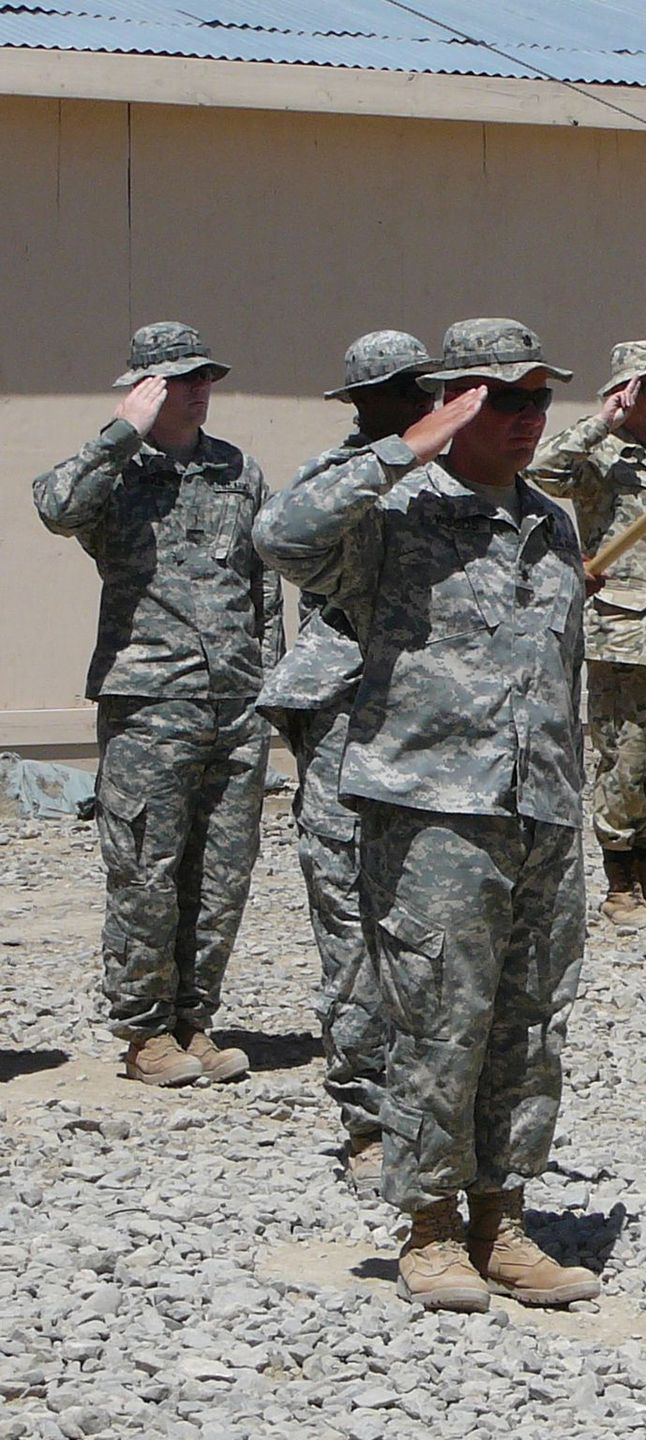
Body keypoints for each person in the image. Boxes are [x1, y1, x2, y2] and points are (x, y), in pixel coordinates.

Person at [254, 318, 600, 1310]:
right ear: (455, 402)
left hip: (540, 806)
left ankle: (504, 1221)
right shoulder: (396, 514)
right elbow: (282, 535)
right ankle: (430, 1229)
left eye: (540, 399)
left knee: (529, 1025)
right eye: (505, 399)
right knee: (442, 1023)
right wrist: (403, 445)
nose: (529, 418)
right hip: (431, 808)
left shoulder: (552, 523)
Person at [33, 322, 281, 1087]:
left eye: (205, 376)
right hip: (149, 698)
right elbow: (56, 506)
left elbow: (262, 582)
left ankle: (194, 1018)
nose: (199, 389)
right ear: (145, 388)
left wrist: (269, 681)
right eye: (180, 380)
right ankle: (144, 1033)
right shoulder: (113, 471)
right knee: (146, 866)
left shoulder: (236, 469)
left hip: (234, 698)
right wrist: (120, 434)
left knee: (223, 870)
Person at [256, 330, 438, 1191]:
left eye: (420, 388)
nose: (413, 402)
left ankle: (435, 1115)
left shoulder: (458, 482)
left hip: (437, 733)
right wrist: (398, 457)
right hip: (346, 721)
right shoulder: (337, 480)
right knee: (352, 918)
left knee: (431, 923)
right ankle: (368, 1113)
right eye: (397, 391)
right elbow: (285, 541)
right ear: (360, 401)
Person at [530, 341, 646, 931]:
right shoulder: (599, 453)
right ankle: (619, 883)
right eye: (645, 388)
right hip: (624, 629)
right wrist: (602, 421)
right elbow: (542, 469)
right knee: (623, 758)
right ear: (622, 391)